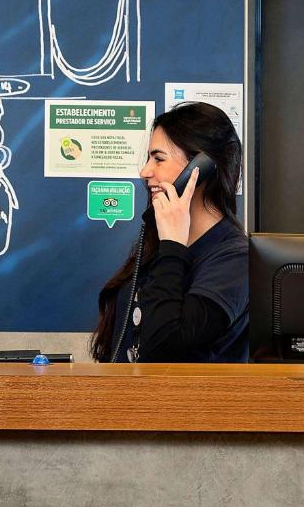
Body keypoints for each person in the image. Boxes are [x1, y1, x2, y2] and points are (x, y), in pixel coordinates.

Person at [91, 102, 248, 363]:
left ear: (199, 168)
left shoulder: (233, 259)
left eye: (158, 159)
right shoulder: (159, 245)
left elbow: (164, 346)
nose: (145, 172)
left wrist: (174, 248)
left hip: (184, 403)